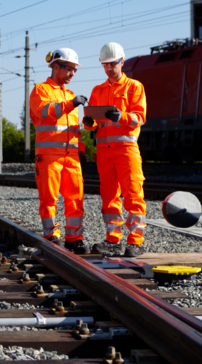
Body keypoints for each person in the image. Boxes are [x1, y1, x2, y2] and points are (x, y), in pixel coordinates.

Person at [82, 42, 147, 257]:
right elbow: (91, 124)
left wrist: (123, 116)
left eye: (112, 64)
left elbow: (140, 117)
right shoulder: (97, 90)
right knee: (109, 196)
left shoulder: (134, 87)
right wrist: (89, 120)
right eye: (105, 65)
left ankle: (136, 242)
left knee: (133, 194)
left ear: (122, 62)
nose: (109, 68)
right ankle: (113, 240)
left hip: (126, 149)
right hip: (104, 151)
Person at [30, 48, 89, 254]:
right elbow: (47, 112)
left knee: (76, 197)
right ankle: (51, 235)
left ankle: (74, 239)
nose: (73, 74)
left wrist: (81, 150)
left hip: (71, 156)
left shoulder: (70, 94)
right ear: (56, 67)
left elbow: (74, 129)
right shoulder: (41, 90)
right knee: (49, 197)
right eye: (70, 69)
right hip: (49, 156)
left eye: (75, 70)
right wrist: (70, 104)